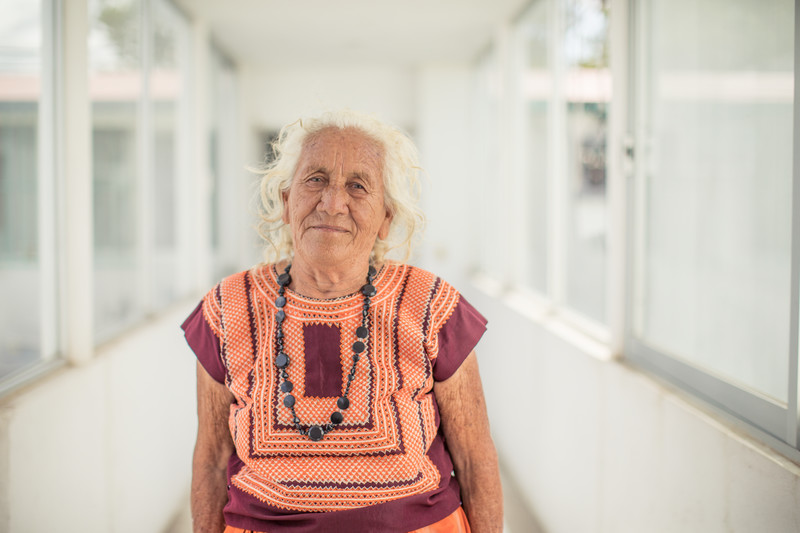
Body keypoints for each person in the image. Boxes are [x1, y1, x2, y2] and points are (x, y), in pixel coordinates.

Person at [182, 109, 503, 533]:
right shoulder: (227, 309)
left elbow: (475, 459)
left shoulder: (430, 306)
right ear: (285, 201)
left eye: (357, 186)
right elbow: (211, 460)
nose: (333, 203)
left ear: (386, 218)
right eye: (315, 179)